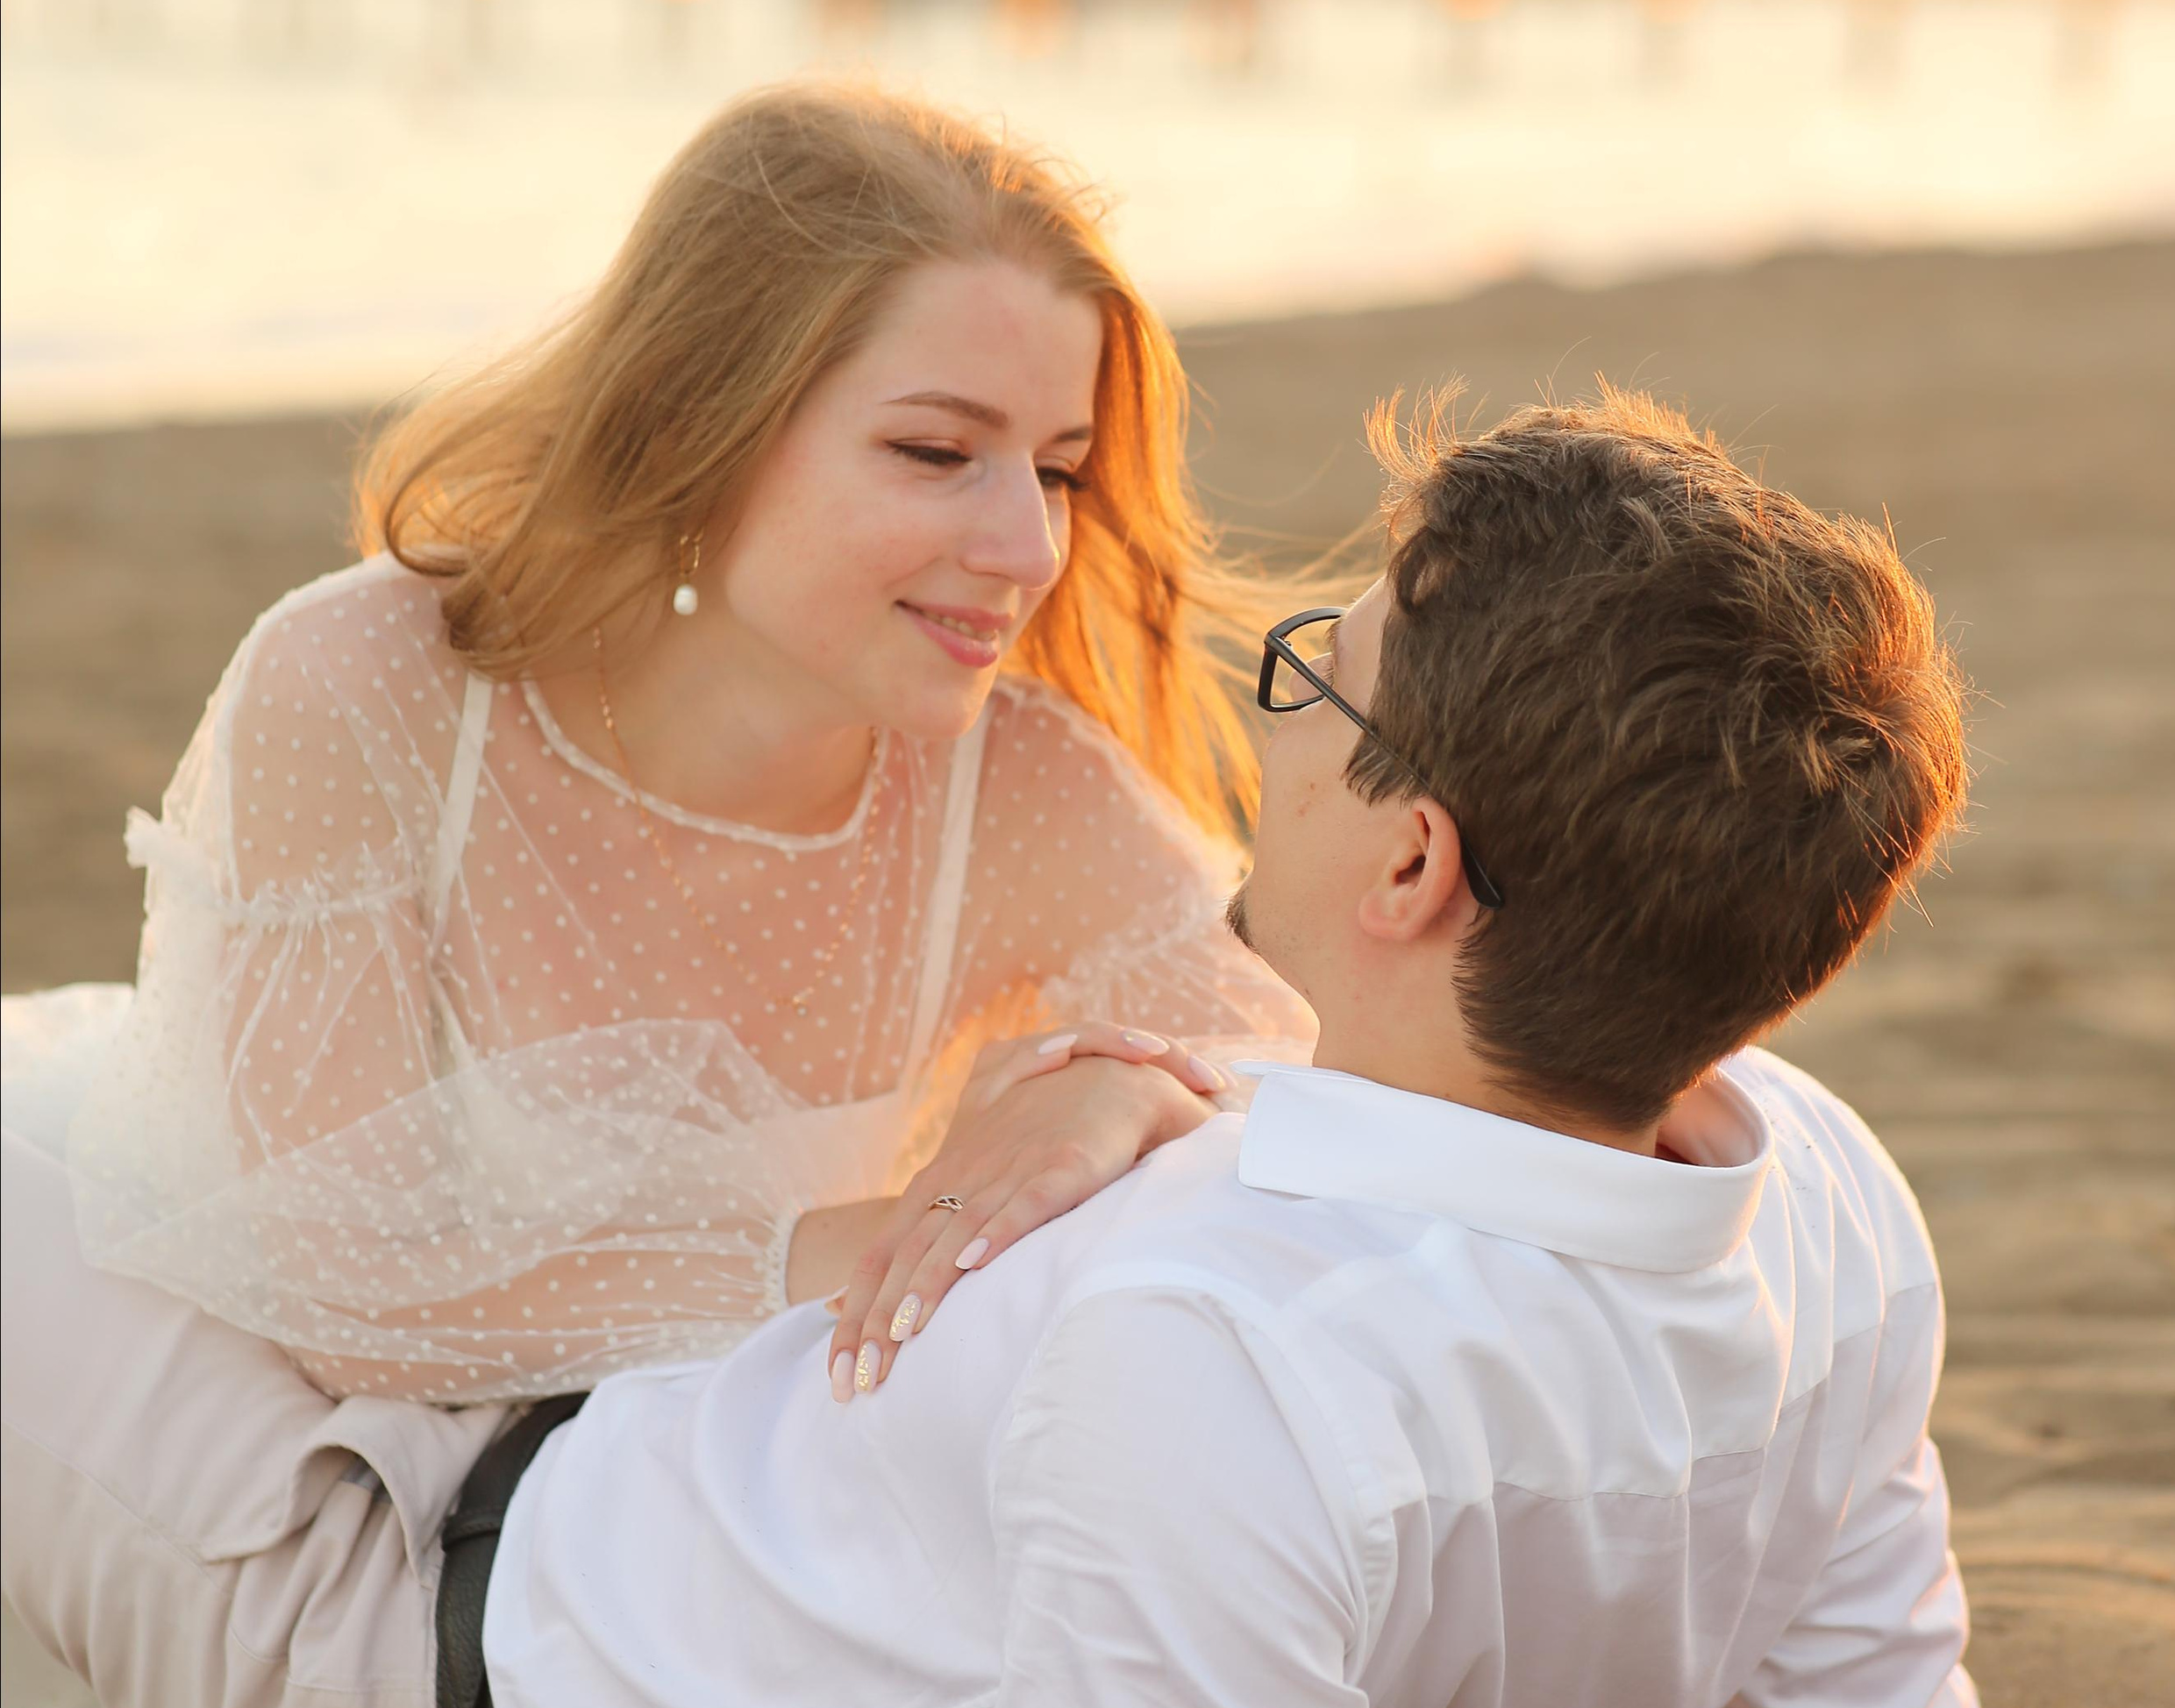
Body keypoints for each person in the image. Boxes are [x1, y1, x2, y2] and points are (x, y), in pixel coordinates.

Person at [3, 392, 1982, 1708]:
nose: (1262, 720)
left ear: (1408, 863)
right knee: (117, 1083)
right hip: (596, 1459)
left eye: (1315, 675)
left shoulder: (1217, 1361)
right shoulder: (1816, 1184)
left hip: (385, 1657)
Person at [0, 82, 1315, 1412]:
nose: (1029, 552)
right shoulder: (367, 687)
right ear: (700, 425)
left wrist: (1127, 1101)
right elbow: (352, 1288)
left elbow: (1308, 1086)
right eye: (935, 451)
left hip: (695, 1495)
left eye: (1057, 472)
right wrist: (858, 1244)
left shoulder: (1019, 787)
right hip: (262, 1440)